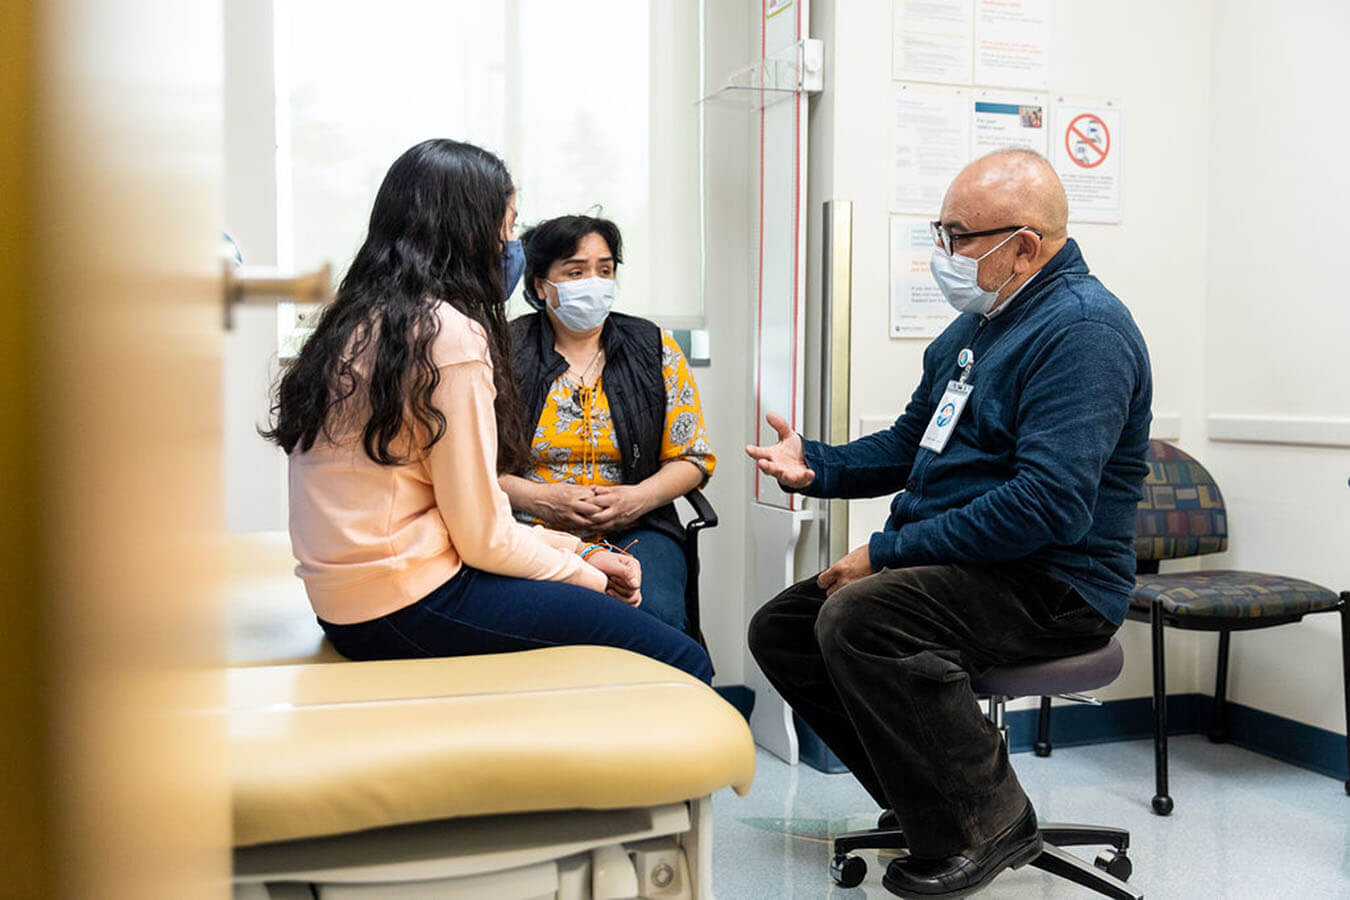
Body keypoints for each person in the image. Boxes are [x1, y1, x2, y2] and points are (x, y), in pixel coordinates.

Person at [746, 149, 1152, 898]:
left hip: (1056, 582)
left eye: (959, 236)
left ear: (1024, 247)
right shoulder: (979, 328)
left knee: (865, 616)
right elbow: (911, 443)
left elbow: (1048, 505)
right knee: (785, 627)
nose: (945, 253)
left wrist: (889, 550)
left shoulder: (1084, 333)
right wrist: (820, 467)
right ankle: (929, 801)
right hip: (978, 568)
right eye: (943, 231)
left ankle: (988, 821)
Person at [263, 139, 711, 683]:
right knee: (682, 660)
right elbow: (484, 535)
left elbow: (461, 514)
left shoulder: (353, 320)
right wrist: (587, 574)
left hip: (346, 601)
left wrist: (577, 553)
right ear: (467, 229)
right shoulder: (448, 336)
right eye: (507, 225)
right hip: (405, 599)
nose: (511, 244)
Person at [500, 214, 716, 633]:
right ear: (542, 286)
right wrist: (539, 499)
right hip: (530, 529)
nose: (594, 282)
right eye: (576, 271)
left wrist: (637, 499)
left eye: (605, 270)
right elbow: (472, 472)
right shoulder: (504, 352)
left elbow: (692, 458)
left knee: (654, 617)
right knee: (548, 622)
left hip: (638, 527)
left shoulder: (654, 347)